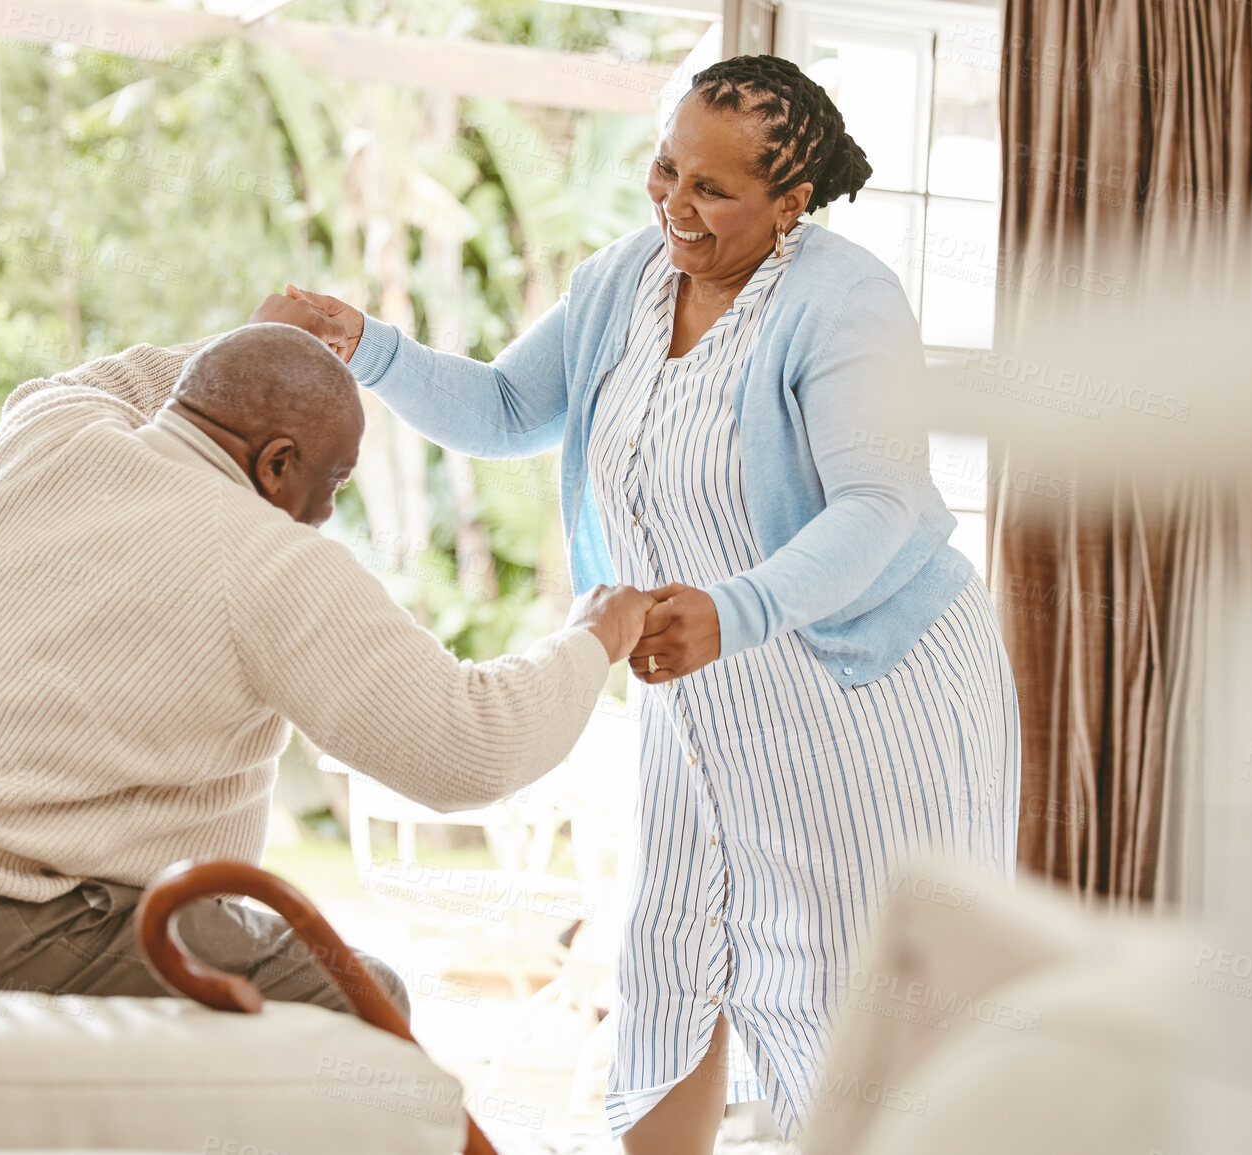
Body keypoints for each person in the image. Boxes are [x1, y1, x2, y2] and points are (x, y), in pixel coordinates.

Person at [273, 54, 1020, 1154]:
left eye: (713, 190)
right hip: (704, 694)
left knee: (851, 989)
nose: (676, 205)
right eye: (665, 170)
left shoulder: (844, 300)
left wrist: (734, 610)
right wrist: (366, 347)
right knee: (672, 962)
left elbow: (882, 506)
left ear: (793, 203)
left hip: (865, 691)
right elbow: (506, 407)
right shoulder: (625, 279)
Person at [0, 314, 655, 1022]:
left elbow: (128, 383)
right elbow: (469, 747)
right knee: (367, 999)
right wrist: (594, 638)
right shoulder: (270, 562)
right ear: (277, 465)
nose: (326, 514)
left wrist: (256, 341)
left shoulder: (50, 433)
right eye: (332, 482)